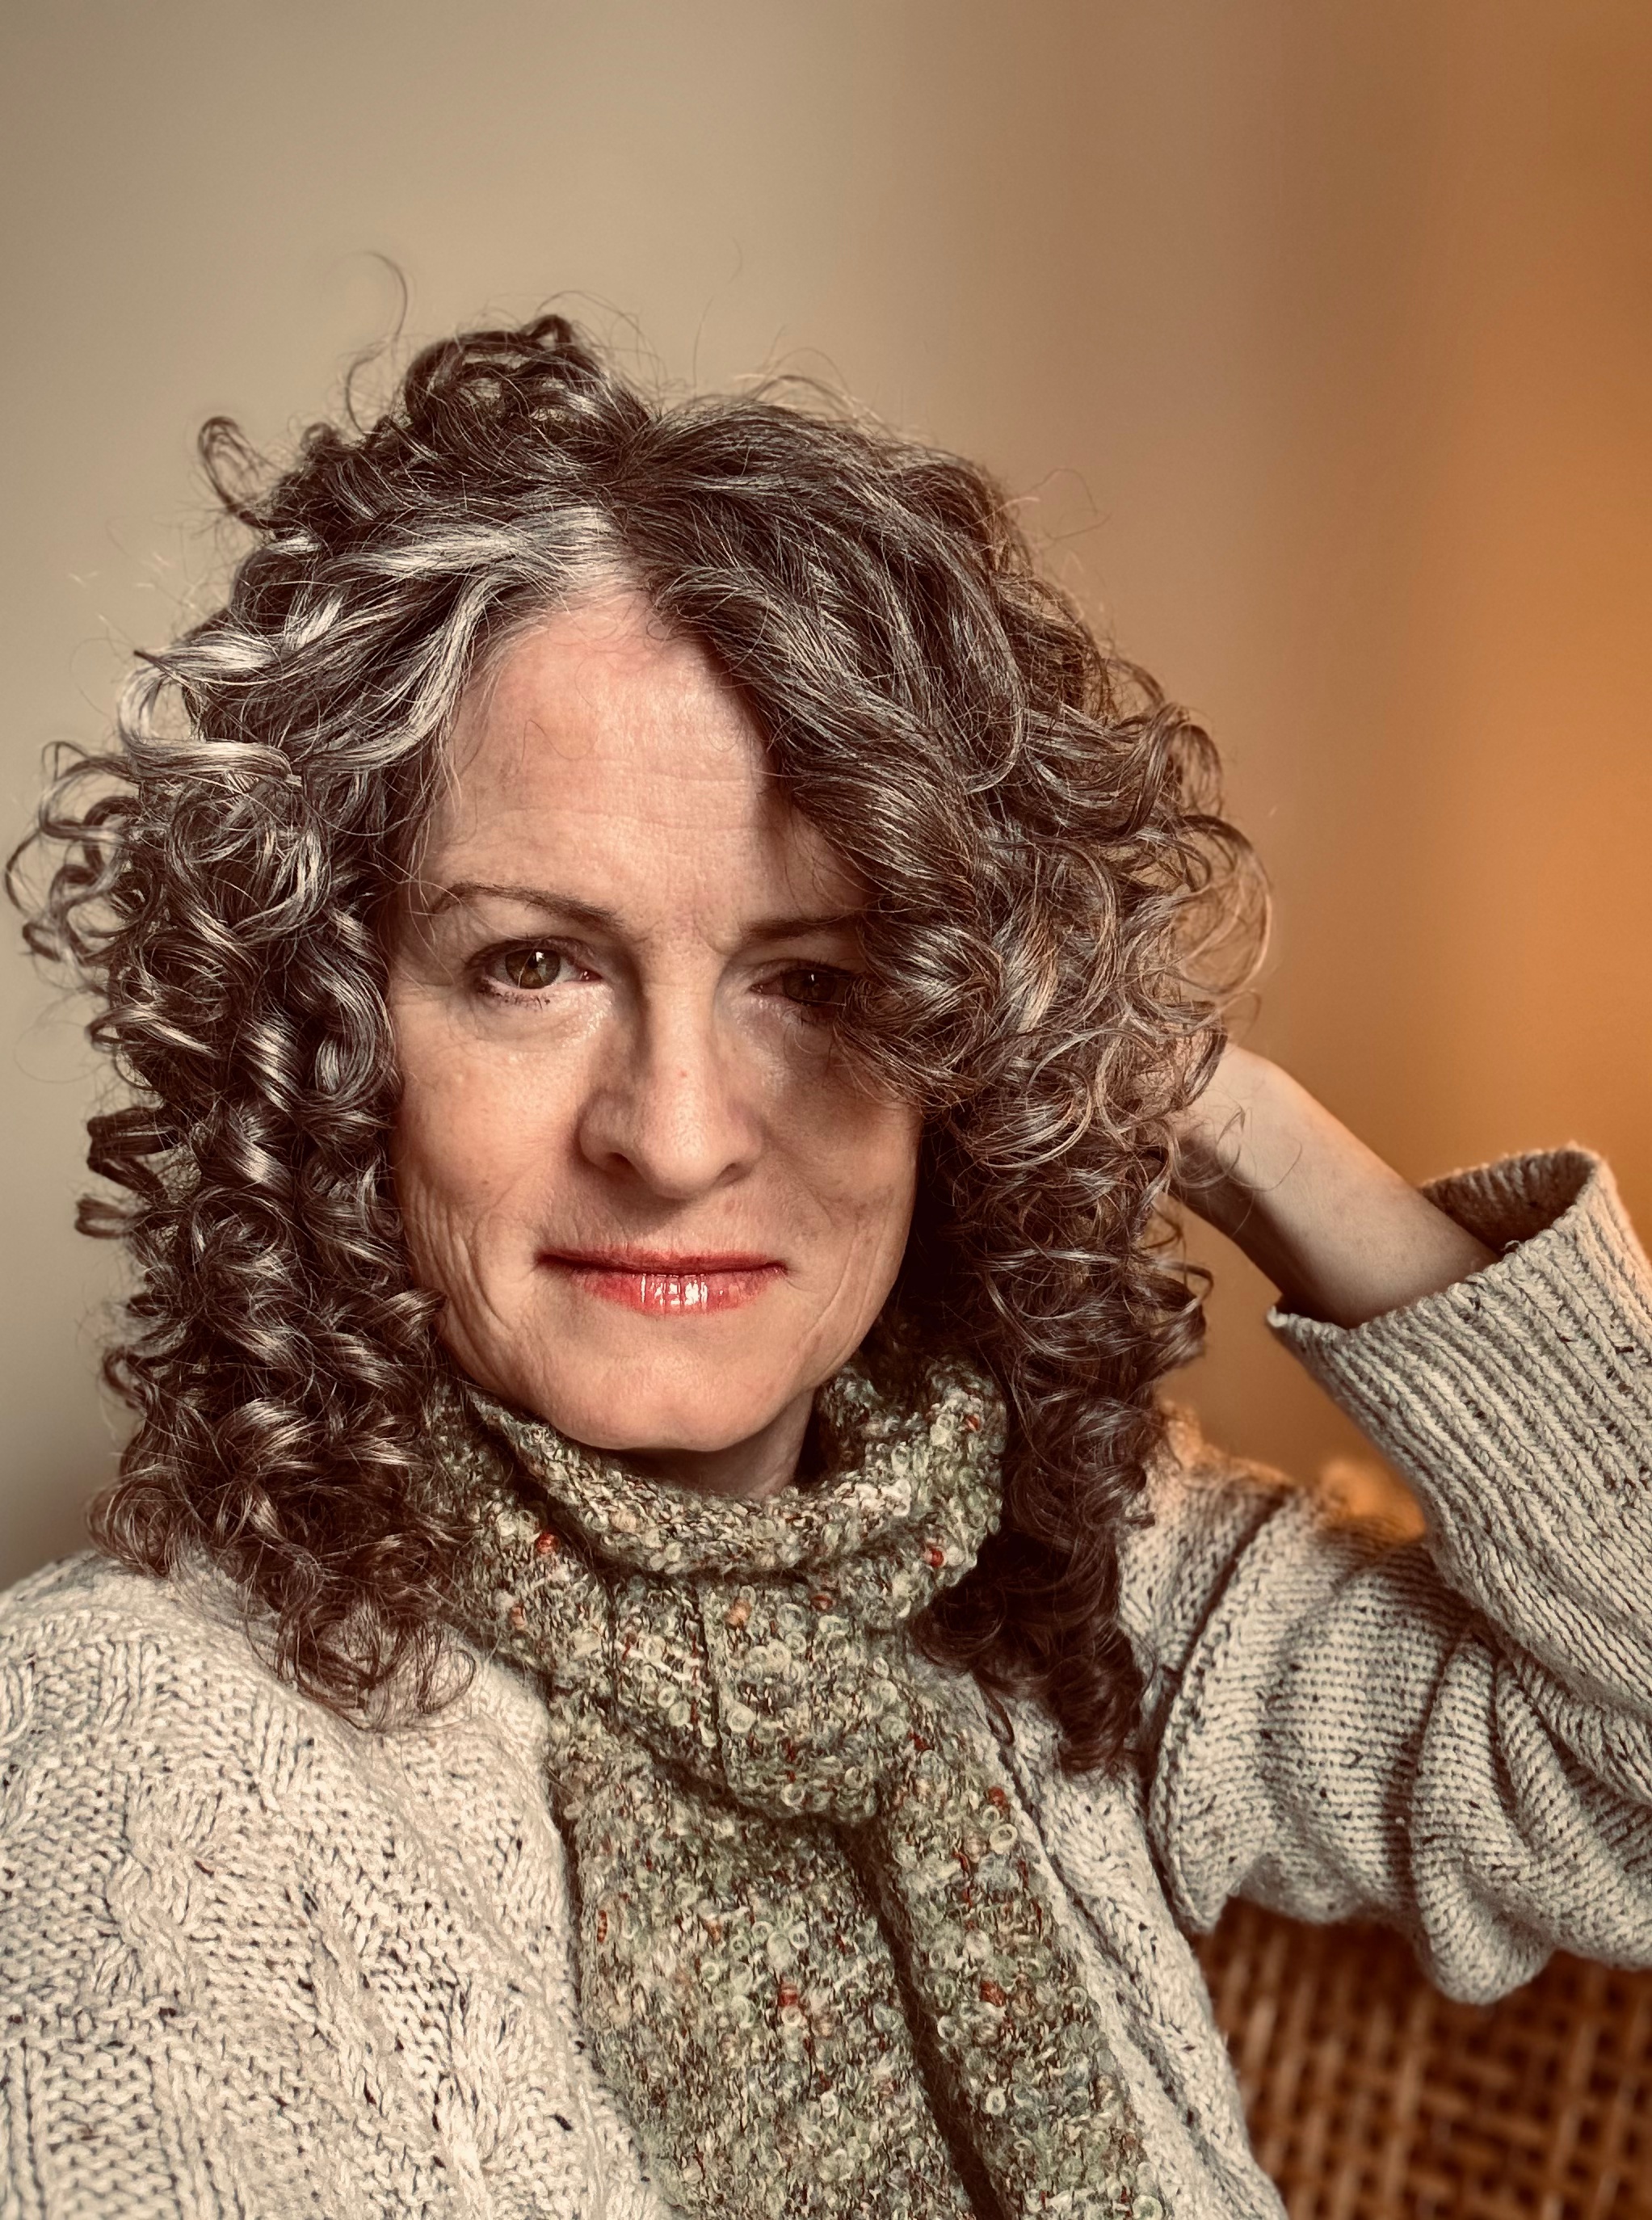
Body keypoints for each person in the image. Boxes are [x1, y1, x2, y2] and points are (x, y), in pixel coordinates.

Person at [2, 313, 1648, 2220]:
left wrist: (1225, 1115)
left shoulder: (1065, 1598)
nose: (680, 1131)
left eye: (820, 982)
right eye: (531, 965)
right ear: (334, 1029)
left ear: (972, 1037)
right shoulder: (138, 1762)